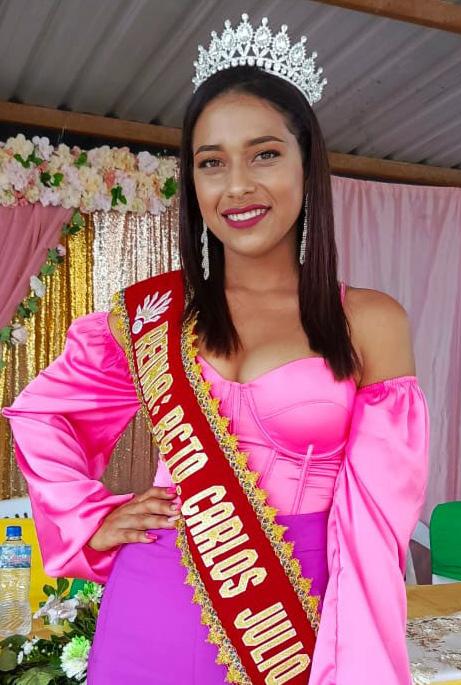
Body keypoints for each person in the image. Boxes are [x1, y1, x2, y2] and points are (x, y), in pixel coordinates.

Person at [2, 12, 430, 685]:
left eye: (264, 154)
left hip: (295, 620)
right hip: (150, 604)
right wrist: (91, 517)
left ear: (307, 162)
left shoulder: (368, 322)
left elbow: (376, 530)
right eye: (211, 162)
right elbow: (41, 412)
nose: (236, 185)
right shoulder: (154, 315)